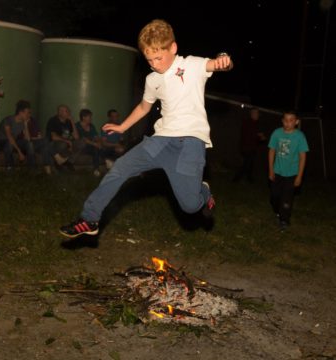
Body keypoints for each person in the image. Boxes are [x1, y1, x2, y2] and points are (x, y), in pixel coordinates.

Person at [59, 18, 233, 238]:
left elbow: (217, 64)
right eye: (150, 60)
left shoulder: (191, 65)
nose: (155, 64)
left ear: (173, 48)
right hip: (160, 141)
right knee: (120, 168)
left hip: (190, 143)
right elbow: (143, 107)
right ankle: (90, 218)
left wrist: (223, 61)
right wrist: (122, 126)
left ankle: (204, 192)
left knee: (190, 206)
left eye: (159, 58)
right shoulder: (152, 79)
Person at [268, 110, 309, 230]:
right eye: (286, 120)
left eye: (291, 120)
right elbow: (271, 151)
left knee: (286, 199)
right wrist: (271, 170)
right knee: (274, 197)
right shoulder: (276, 133)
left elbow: (302, 156)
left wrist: (299, 176)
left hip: (292, 174)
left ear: (296, 122)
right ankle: (278, 211)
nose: (288, 123)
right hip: (277, 172)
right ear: (282, 121)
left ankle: (284, 220)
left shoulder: (300, 136)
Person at [0, 100, 34, 170]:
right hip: (1, 142)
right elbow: (9, 137)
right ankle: (10, 167)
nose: (29, 115)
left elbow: (27, 139)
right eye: (28, 113)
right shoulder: (8, 120)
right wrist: (19, 152)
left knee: (29, 144)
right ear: (21, 112)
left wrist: (25, 124)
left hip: (13, 141)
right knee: (9, 143)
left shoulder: (22, 122)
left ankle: (31, 167)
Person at [45, 104, 84, 171]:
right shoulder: (53, 120)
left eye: (68, 111)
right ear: (60, 112)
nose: (69, 113)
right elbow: (53, 137)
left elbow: (76, 137)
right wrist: (67, 141)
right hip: (55, 144)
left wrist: (72, 121)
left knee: (82, 143)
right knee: (63, 144)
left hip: (67, 142)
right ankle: (59, 162)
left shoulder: (68, 122)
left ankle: (69, 162)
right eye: (66, 111)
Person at [232, 107, 265, 183]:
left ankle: (249, 179)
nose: (257, 115)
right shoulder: (247, 122)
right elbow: (248, 135)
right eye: (255, 113)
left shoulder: (256, 123)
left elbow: (256, 138)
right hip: (246, 148)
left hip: (252, 148)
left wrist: (260, 137)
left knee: (250, 164)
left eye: (257, 113)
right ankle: (236, 179)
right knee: (246, 164)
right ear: (252, 114)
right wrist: (259, 135)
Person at [75, 108, 102, 177]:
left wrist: (98, 142)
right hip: (81, 147)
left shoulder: (91, 126)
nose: (91, 118)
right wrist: (95, 144)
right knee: (95, 148)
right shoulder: (77, 126)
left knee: (97, 148)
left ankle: (96, 169)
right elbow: (83, 139)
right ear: (83, 117)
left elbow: (96, 136)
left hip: (91, 146)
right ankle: (104, 163)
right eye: (89, 117)